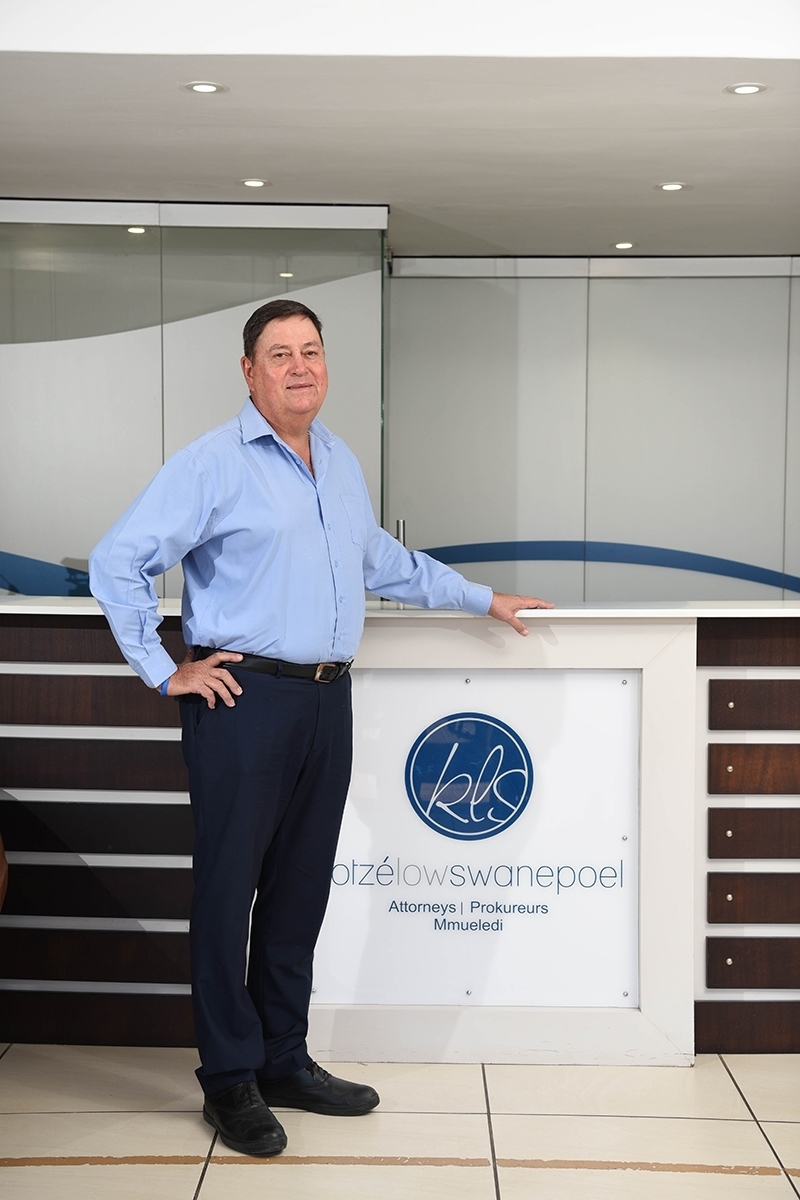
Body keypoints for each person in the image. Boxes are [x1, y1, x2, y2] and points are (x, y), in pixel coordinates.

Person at [89, 298, 553, 1157]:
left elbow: (382, 560)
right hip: (243, 702)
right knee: (229, 893)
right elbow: (118, 560)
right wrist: (164, 668)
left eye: (311, 350)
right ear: (249, 371)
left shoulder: (336, 459)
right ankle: (229, 1079)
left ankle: (281, 1059)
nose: (299, 366)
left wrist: (481, 597)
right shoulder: (213, 463)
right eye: (280, 354)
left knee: (299, 889)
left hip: (326, 701)